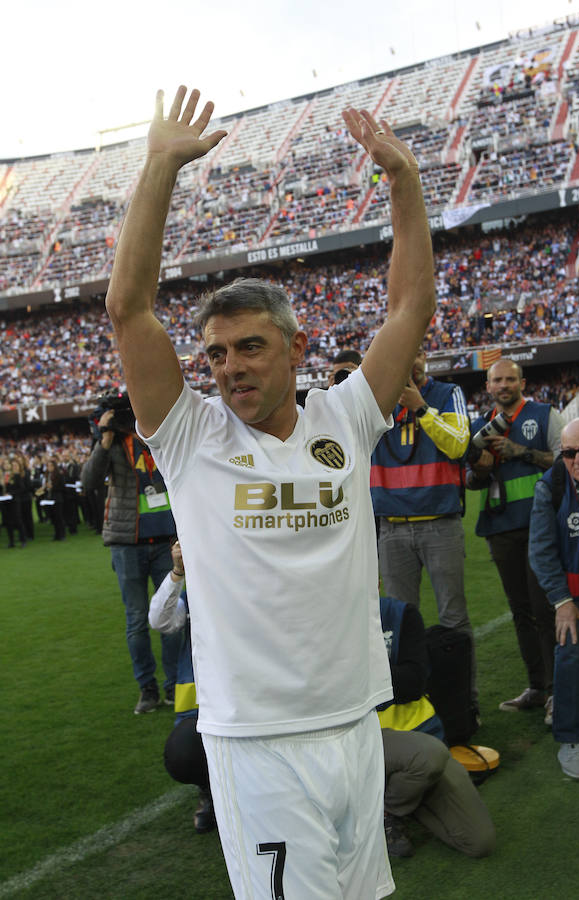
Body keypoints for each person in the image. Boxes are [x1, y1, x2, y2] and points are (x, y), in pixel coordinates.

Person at [104, 84, 436, 899]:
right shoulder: (191, 437)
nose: (229, 368)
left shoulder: (346, 417)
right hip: (256, 742)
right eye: (215, 355)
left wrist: (404, 183)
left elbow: (410, 307)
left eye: (249, 347)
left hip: (356, 720)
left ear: (294, 347)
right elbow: (127, 309)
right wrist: (159, 168)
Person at [371, 345, 478, 710]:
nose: (409, 361)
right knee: (398, 624)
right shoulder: (377, 401)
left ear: (423, 358)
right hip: (392, 529)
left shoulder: (448, 394)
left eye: (414, 354)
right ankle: (408, 709)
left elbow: (459, 445)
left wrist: (420, 407)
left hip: (439, 524)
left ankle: (465, 705)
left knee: (453, 617)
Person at [466, 358, 561, 721]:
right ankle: (537, 687)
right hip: (500, 526)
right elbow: (470, 481)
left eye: (510, 379)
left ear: (522, 382)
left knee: (544, 610)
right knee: (521, 611)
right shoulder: (480, 427)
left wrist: (521, 452)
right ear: (488, 387)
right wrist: (482, 467)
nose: (504, 385)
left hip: (541, 526)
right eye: (497, 380)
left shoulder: (544, 414)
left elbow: (568, 461)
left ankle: (555, 691)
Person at [81, 401, 181, 715]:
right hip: (127, 543)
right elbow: (88, 482)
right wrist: (104, 437)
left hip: (166, 539)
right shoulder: (110, 443)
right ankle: (147, 688)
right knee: (136, 620)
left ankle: (175, 685)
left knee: (172, 617)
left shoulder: (157, 436)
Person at [378, 596, 495, 859]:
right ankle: (388, 808)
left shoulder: (399, 613)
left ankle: (393, 804)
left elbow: (413, 684)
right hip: (359, 740)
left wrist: (358, 666)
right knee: (428, 757)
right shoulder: (322, 620)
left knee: (479, 840)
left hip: (418, 736)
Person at [529, 417, 579, 779]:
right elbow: (540, 550)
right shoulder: (552, 485)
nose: (578, 460)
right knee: (569, 652)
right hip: (577, 592)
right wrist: (561, 602)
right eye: (569, 453)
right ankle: (571, 743)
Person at [149, 539, 216, 833]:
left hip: (253, 706)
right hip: (200, 714)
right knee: (183, 753)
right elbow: (159, 621)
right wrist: (177, 573)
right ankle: (209, 791)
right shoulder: (195, 598)